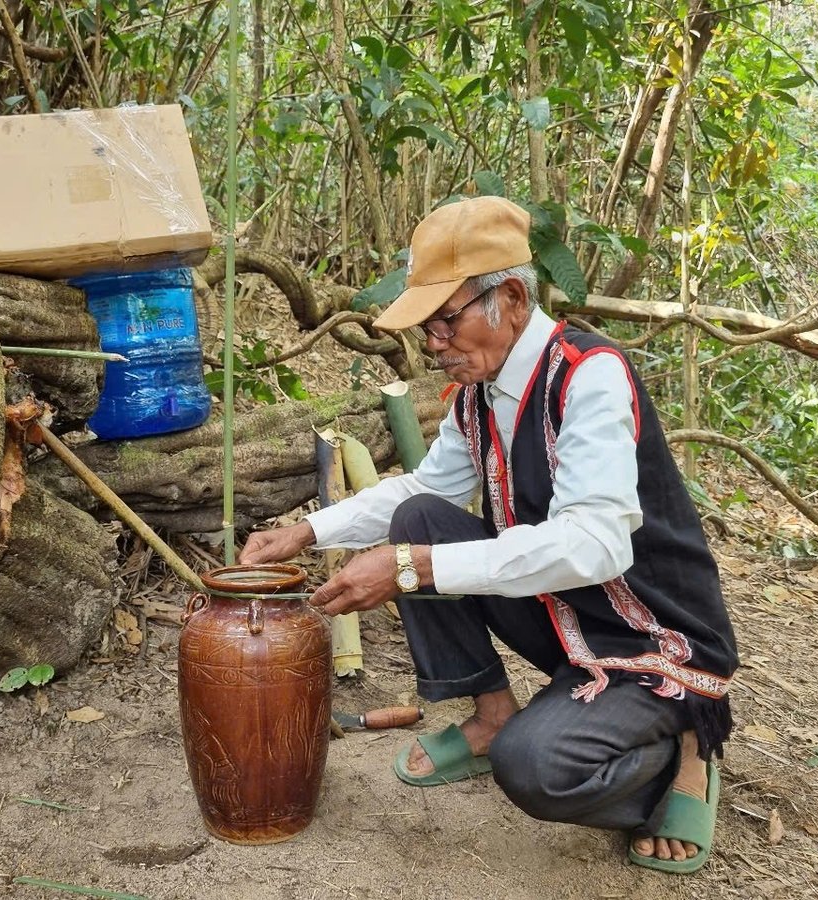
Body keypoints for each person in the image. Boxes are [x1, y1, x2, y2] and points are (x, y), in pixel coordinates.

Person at [239, 195, 739, 874]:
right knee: (418, 521)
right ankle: (495, 713)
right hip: (563, 611)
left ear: (508, 296)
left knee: (535, 769)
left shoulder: (590, 376)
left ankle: (682, 750)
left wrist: (418, 568)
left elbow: (598, 545)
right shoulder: (480, 392)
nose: (433, 346)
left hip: (650, 633)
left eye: (445, 323)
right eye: (427, 328)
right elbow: (423, 493)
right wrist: (305, 531)